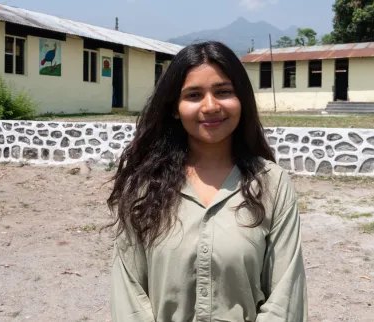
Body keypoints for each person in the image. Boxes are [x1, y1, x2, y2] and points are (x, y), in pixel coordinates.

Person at [107, 41, 307, 322]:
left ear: (242, 100)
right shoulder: (143, 186)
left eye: (224, 92)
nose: (211, 106)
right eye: (194, 95)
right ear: (175, 108)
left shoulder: (272, 184)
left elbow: (285, 297)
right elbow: (128, 294)